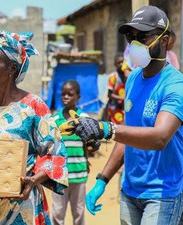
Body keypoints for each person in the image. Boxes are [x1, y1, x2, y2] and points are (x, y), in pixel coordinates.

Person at [60, 6, 183, 225]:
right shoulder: (134, 79)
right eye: (130, 37)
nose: (135, 43)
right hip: (130, 191)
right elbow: (128, 133)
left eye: (143, 37)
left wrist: (106, 129)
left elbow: (160, 137)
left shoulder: (175, 85)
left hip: (162, 194)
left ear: (164, 41)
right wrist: (102, 179)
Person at [0, 30, 68, 224]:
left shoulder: (33, 106)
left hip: (20, 210)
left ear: (12, 69)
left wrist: (32, 181)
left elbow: (55, 155)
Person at [51, 80, 90, 225]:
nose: (65, 97)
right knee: (57, 213)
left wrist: (86, 162)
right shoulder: (55, 119)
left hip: (79, 173)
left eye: (70, 94)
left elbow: (86, 144)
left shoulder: (84, 118)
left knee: (79, 212)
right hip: (59, 175)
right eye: (63, 94)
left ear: (78, 97)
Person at [105, 53, 126, 124]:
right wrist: (123, 98)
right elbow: (110, 94)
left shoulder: (128, 75)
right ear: (115, 64)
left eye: (122, 62)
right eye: (118, 63)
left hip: (124, 107)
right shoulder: (113, 77)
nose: (121, 64)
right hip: (114, 108)